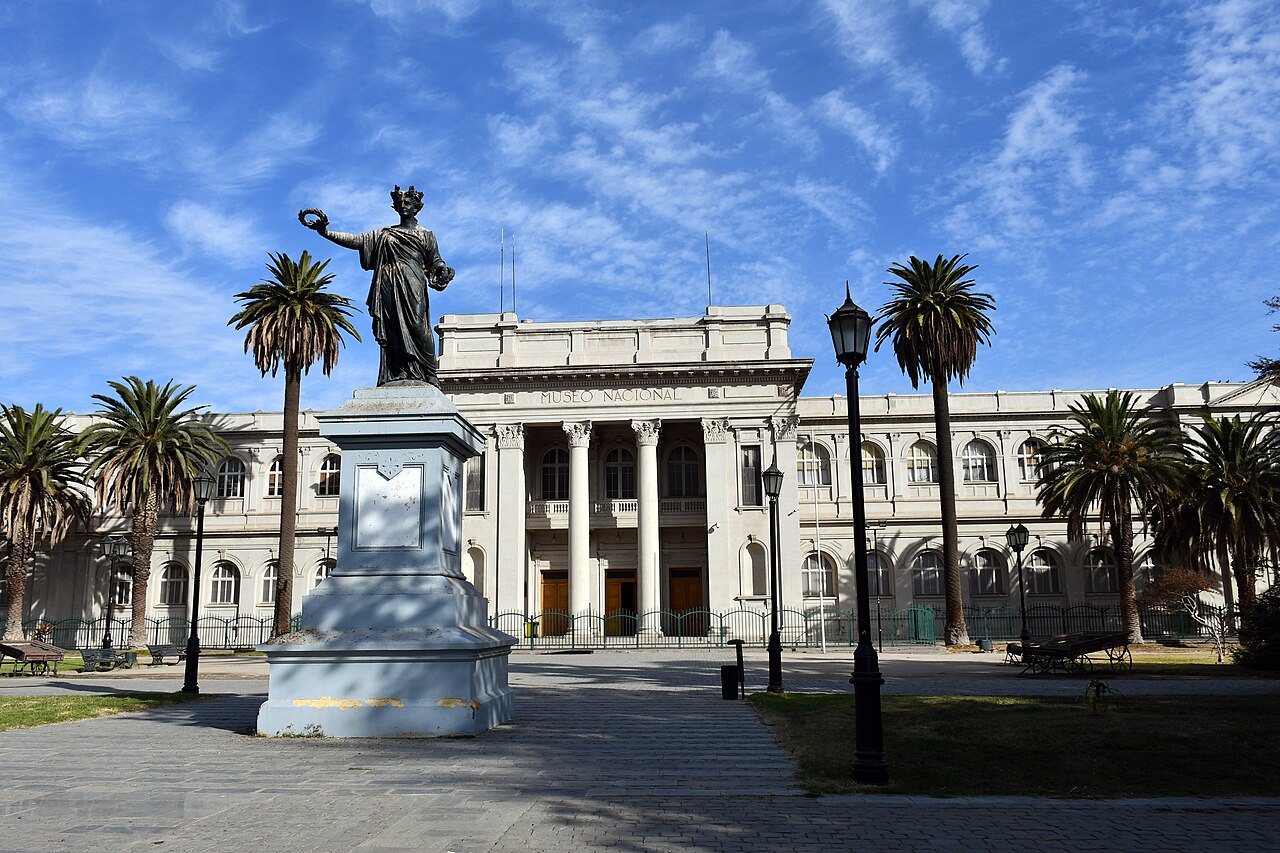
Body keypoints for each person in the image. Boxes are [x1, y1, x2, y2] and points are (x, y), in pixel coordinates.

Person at [300, 185, 455, 387]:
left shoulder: (426, 235)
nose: (404, 206)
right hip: (387, 283)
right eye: (400, 203)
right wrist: (325, 232)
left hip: (413, 282)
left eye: (408, 203)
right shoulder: (385, 234)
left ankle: (429, 372)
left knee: (417, 326)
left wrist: (442, 269)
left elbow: (435, 261)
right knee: (392, 330)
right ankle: (398, 371)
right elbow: (356, 240)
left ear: (417, 207)